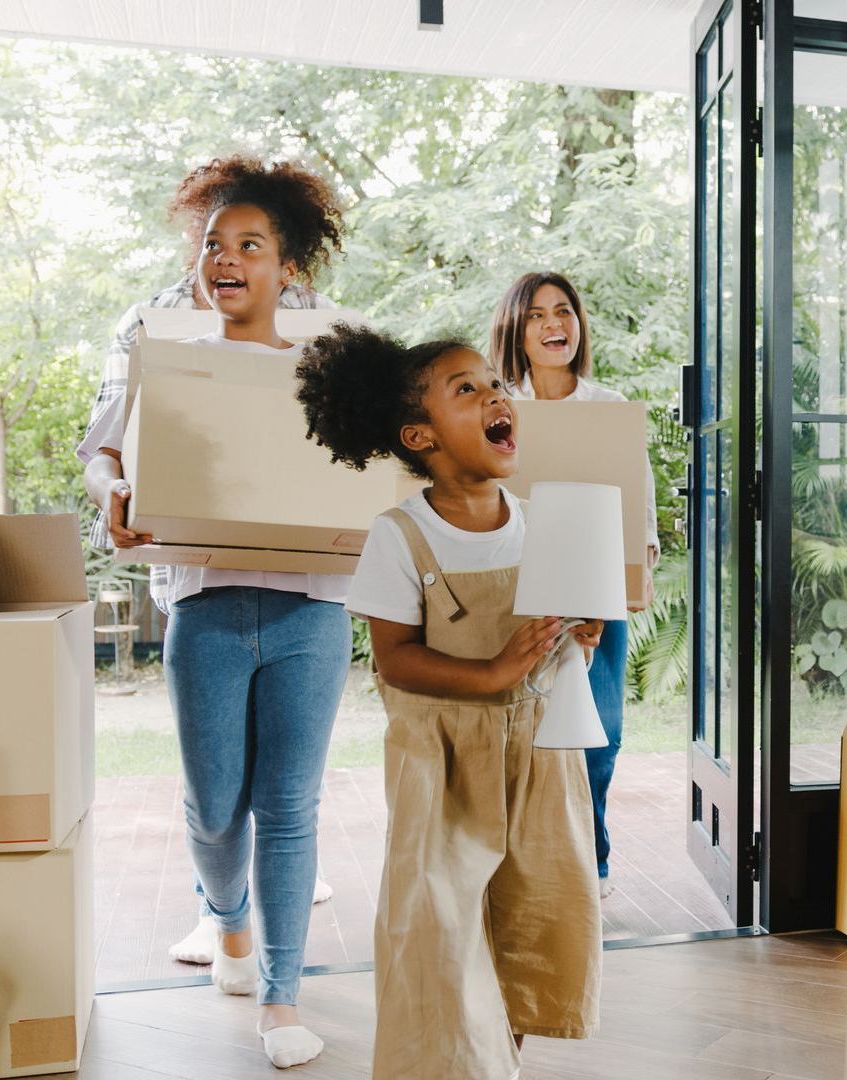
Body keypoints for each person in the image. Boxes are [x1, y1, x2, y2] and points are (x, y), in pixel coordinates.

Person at [79, 157, 351, 1070]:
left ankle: (282, 997)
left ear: (287, 263)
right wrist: (114, 490)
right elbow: (105, 449)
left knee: (289, 807)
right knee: (212, 806)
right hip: (202, 598)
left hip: (312, 605)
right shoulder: (161, 341)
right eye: (213, 244)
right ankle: (226, 921)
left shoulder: (328, 355)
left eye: (250, 245)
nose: (226, 258)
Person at [295, 325, 603, 1080]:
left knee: (531, 921)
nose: (496, 395)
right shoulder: (401, 536)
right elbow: (397, 662)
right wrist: (494, 672)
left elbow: (561, 652)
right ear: (420, 435)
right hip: (442, 766)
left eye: (496, 384)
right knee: (442, 930)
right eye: (467, 389)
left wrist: (580, 636)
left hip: (537, 760)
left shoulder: (541, 523)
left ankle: (505, 1064)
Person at [490, 270, 660, 899]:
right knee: (523, 729)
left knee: (600, 734)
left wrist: (628, 586)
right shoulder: (494, 405)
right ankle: (525, 861)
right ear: (515, 327)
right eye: (536, 315)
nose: (554, 324)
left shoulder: (608, 409)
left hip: (595, 593)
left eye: (563, 311)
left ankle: (594, 860)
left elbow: (637, 510)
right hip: (513, 590)